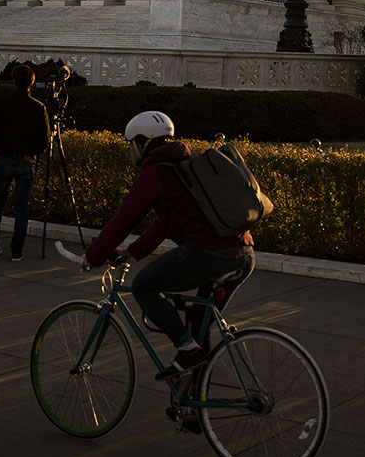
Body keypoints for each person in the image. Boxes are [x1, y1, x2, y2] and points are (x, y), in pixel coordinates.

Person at [81, 111, 255, 379]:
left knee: (143, 286)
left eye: (130, 144)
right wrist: (133, 251)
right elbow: (164, 223)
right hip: (242, 252)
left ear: (143, 143)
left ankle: (186, 350)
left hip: (209, 254)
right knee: (198, 328)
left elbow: (123, 220)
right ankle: (195, 413)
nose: (130, 151)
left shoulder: (155, 173)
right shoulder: (183, 165)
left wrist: (93, 256)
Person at [0, 63, 51, 261]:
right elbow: (44, 141)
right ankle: (16, 251)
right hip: (25, 160)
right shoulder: (38, 108)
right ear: (31, 82)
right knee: (22, 207)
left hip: (3, 158)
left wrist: (1, 147)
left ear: (13, 80)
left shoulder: (1, 105)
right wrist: (32, 153)